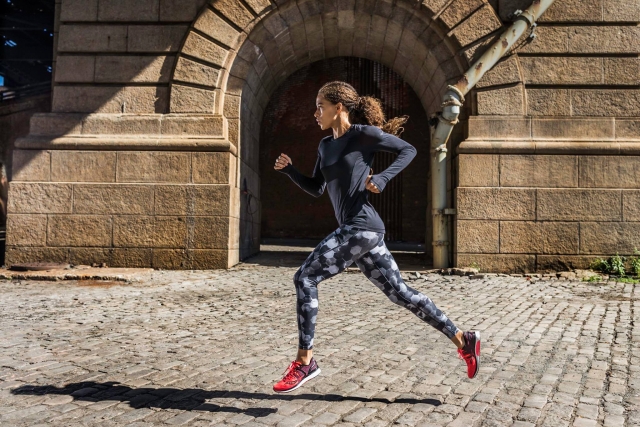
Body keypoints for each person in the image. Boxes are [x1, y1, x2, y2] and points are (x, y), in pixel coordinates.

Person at [272, 81, 480, 393]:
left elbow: (408, 150)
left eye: (320, 106)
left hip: (361, 227)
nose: (315, 113)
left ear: (338, 108)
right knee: (400, 293)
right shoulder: (325, 146)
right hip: (363, 232)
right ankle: (463, 339)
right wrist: (291, 171)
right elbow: (317, 188)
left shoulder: (363, 135)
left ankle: (305, 361)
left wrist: (382, 178)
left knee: (305, 277)